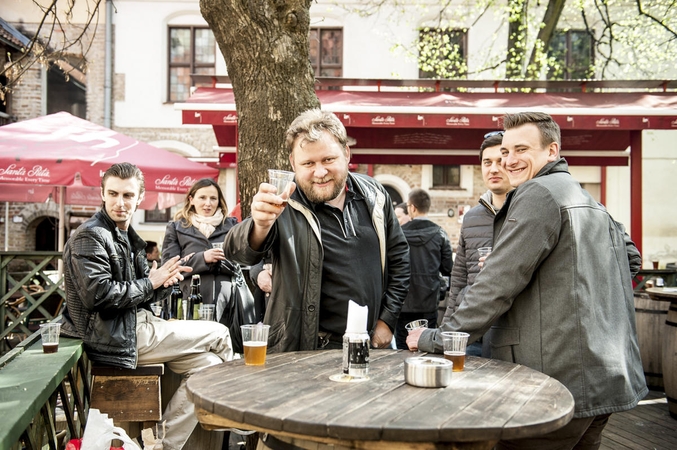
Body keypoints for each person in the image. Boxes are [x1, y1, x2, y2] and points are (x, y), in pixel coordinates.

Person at [407, 112, 646, 449]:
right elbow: (631, 260)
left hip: (554, 384)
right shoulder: (586, 198)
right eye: (505, 151)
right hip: (604, 378)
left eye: (522, 149)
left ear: (552, 150)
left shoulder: (538, 193)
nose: (509, 160)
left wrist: (436, 339)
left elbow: (494, 287)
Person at [60, 163, 233, 450]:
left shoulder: (125, 236)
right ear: (102, 194)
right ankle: (234, 411)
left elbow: (141, 293)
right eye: (113, 194)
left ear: (140, 197)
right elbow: (98, 296)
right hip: (115, 337)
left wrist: (162, 283)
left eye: (128, 195)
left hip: (134, 327)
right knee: (220, 333)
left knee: (209, 366)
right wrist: (151, 282)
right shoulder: (90, 235)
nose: (120, 202)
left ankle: (160, 444)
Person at [224, 108, 410, 352]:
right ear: (293, 163)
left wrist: (387, 319)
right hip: (301, 350)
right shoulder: (283, 202)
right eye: (308, 163)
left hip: (367, 345)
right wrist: (259, 225)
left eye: (328, 160)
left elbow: (399, 259)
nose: (320, 172)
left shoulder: (375, 195)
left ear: (346, 153)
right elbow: (237, 252)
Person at [441, 131, 513, 356]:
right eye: (487, 162)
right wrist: (446, 332)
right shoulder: (472, 217)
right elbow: (458, 279)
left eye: (500, 161)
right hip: (471, 334)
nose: (493, 169)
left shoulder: (527, 212)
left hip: (510, 334)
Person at [161, 178, 239, 306]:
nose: (208, 203)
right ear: (191, 200)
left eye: (213, 198)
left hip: (226, 302)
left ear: (219, 201)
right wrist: (202, 258)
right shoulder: (175, 228)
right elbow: (168, 268)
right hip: (188, 300)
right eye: (202, 197)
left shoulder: (232, 226)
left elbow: (240, 264)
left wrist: (217, 262)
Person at [394, 188, 452, 350]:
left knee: (402, 348)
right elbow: (448, 268)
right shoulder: (439, 233)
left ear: (412, 207)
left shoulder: (398, 234)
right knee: (426, 347)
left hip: (403, 300)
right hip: (429, 301)